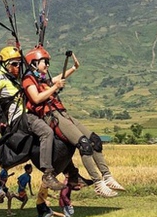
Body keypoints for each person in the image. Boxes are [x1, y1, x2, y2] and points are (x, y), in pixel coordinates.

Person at [22, 45, 124, 197]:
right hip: (51, 116)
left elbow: (58, 78)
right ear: (35, 63)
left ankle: (107, 176)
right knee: (84, 145)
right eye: (45, 62)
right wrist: (55, 87)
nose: (48, 65)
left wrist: (74, 68)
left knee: (94, 140)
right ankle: (98, 183)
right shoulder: (28, 80)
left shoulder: (42, 80)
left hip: (62, 113)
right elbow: (36, 98)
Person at [0, 46, 63, 190]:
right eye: (14, 64)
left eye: (19, 63)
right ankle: (48, 173)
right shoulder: (0, 79)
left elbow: (47, 79)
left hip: (28, 115)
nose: (18, 67)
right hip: (19, 119)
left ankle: (71, 172)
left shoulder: (17, 78)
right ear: (5, 65)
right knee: (47, 132)